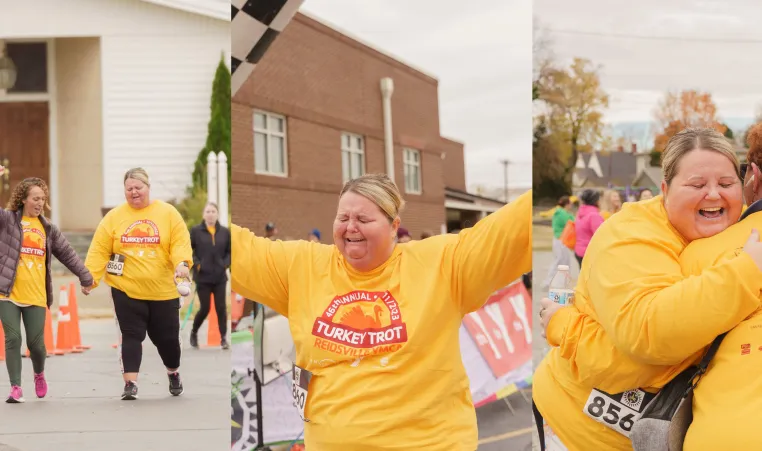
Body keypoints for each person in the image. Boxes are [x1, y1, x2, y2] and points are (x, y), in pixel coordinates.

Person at [231, 173, 531, 450]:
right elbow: (236, 249)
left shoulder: (443, 263)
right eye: (343, 217)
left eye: (363, 218)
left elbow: (513, 229)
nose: (350, 227)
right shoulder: (302, 267)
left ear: (394, 226)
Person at [532, 128, 762, 450]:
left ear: (745, 185)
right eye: (697, 185)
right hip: (575, 427)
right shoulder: (628, 236)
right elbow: (649, 338)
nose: (713, 194)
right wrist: (746, 273)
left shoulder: (730, 239)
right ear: (665, 189)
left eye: (726, 184)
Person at [84, 167, 193, 401]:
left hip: (163, 291)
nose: (134, 192)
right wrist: (90, 279)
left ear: (148, 187)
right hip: (127, 290)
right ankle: (130, 384)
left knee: (168, 341)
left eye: (138, 188)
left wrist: (182, 264)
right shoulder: (114, 217)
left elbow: (179, 243)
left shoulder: (168, 213)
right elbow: (100, 250)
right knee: (130, 335)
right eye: (129, 189)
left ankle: (173, 372)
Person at [0, 168, 93, 403]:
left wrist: (85, 277)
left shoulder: (48, 228)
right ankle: (15, 388)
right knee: (12, 339)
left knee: (37, 345)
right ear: (24, 199)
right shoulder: (8, 220)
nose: (40, 203)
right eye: (35, 198)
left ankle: (39, 374)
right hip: (7, 293)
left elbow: (68, 254)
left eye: (43, 199)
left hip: (36, 295)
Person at [189, 202, 231, 350]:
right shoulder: (195, 231)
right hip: (203, 278)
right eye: (208, 211)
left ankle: (224, 338)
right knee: (205, 308)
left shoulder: (225, 232)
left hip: (220, 277)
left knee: (221, 308)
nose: (211, 214)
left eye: (213, 211)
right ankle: (194, 332)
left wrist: (225, 264)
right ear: (203, 214)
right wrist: (197, 264)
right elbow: (189, 250)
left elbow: (230, 252)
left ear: (217, 214)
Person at [541, 195, 575, 288]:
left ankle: (563, 281)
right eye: (570, 204)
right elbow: (572, 222)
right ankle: (548, 281)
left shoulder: (561, 212)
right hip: (560, 240)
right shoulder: (562, 213)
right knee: (559, 261)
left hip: (562, 240)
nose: (571, 206)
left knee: (565, 261)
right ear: (567, 204)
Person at [573, 189, 604, 267]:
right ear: (596, 201)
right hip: (589, 253)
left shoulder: (580, 213)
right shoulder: (594, 215)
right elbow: (601, 235)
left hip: (579, 251)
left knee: (583, 277)